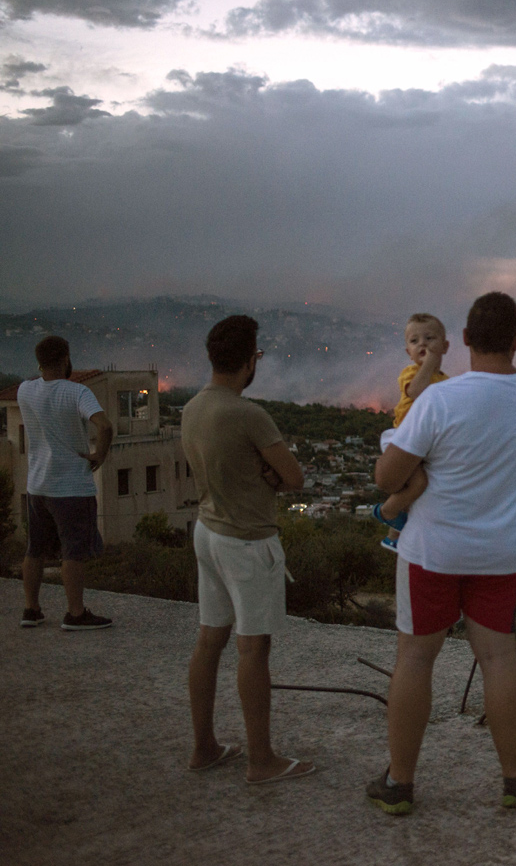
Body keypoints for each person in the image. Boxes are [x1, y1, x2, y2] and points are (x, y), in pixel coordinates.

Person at [365, 291, 516, 815]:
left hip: (431, 553)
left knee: (416, 660)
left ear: (464, 339)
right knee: (498, 657)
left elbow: (387, 476)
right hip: (500, 553)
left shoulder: (438, 400)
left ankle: (399, 784)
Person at [181, 315, 315, 784]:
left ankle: (204, 747)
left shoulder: (192, 407)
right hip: (247, 541)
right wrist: (274, 475)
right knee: (253, 649)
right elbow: (295, 477)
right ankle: (262, 760)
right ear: (248, 361)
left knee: (209, 640)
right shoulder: (248, 414)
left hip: (208, 531)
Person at [18, 335, 113, 630]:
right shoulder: (78, 392)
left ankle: (31, 610)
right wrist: (101, 454)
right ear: (64, 359)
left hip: (37, 485)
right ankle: (75, 613)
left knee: (34, 550)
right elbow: (105, 425)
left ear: (40, 361)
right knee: (73, 552)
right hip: (71, 486)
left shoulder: (25, 390)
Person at [373, 313, 451, 550]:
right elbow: (416, 392)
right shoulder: (411, 373)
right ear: (408, 351)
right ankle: (384, 512)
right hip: (401, 439)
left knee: (419, 491)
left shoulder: (446, 381)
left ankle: (394, 537)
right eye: (415, 341)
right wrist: (429, 363)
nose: (423, 344)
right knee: (418, 485)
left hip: (424, 443)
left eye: (429, 338)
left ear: (445, 346)